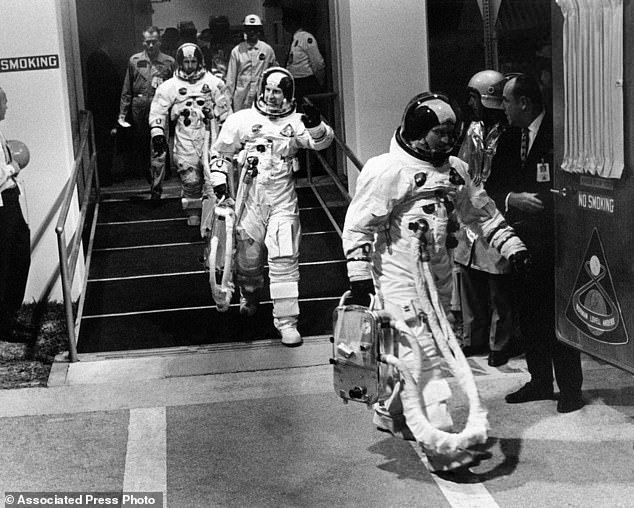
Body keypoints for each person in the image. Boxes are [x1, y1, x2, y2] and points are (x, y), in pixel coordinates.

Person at [341, 92, 528, 471]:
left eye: (450, 132)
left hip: (437, 278)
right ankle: (442, 446)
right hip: (399, 279)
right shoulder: (388, 170)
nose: (446, 140)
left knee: (419, 353)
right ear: (417, 131)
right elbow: (359, 226)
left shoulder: (454, 169)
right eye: (439, 133)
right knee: (424, 357)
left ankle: (392, 411)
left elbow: (480, 212)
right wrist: (360, 278)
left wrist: (512, 245)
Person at [208, 67, 333, 346]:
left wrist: (315, 124)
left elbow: (321, 142)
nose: (272, 96)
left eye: (278, 91)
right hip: (249, 198)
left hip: (282, 200)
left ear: (288, 94)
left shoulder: (297, 122)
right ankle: (249, 295)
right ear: (261, 89)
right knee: (248, 263)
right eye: (269, 89)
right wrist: (219, 185)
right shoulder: (242, 120)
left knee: (284, 260)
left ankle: (286, 321)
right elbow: (221, 154)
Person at [486, 73, 584, 413]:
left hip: (558, 241)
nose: (504, 109)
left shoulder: (561, 135)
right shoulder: (509, 139)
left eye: (507, 102)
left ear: (524, 103)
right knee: (528, 315)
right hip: (519, 242)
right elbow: (492, 188)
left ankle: (570, 388)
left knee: (559, 315)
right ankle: (540, 381)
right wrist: (513, 198)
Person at [454, 69, 516, 367]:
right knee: (469, 281)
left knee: (498, 285)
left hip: (495, 213)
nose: (470, 103)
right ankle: (473, 338)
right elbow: (465, 169)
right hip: (471, 215)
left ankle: (500, 343)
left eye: (474, 96)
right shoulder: (473, 130)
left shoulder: (509, 133)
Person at [149, 43, 231, 226]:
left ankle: (212, 216)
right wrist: (158, 133)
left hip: (211, 136)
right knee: (190, 178)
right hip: (185, 138)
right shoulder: (170, 86)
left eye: (193, 61)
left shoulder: (213, 83)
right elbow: (158, 110)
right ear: (180, 63)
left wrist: (228, 136)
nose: (190, 66)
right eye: (186, 62)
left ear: (200, 61)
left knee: (213, 179)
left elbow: (226, 110)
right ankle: (193, 211)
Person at [118, 26, 176, 198]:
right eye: (147, 42)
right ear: (143, 42)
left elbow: (176, 88)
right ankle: (150, 178)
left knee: (158, 146)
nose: (150, 46)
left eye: (154, 42)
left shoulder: (169, 62)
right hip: (139, 107)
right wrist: (122, 113)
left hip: (159, 107)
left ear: (159, 42)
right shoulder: (134, 61)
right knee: (142, 147)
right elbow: (126, 89)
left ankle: (156, 188)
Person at [0, 87, 31, 340]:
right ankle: (4, 323)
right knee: (7, 262)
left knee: (19, 256)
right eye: (4, 102)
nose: (7, 106)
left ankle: (9, 316)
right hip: (2, 203)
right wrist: (13, 167)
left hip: (10, 199)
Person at [86, 28, 121, 187]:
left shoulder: (96, 58)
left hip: (102, 109)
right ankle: (103, 177)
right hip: (103, 110)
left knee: (106, 145)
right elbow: (105, 87)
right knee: (104, 145)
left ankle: (105, 175)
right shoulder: (99, 59)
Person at [225, 14, 278, 112]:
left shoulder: (267, 50)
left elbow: (274, 73)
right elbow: (231, 79)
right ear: (245, 30)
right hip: (241, 97)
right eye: (249, 29)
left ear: (259, 30)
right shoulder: (237, 51)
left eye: (255, 28)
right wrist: (227, 102)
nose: (252, 31)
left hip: (261, 95)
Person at [282, 7, 325, 109]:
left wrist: (320, 82)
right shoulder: (293, 39)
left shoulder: (306, 38)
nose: (283, 25)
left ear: (293, 21)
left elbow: (318, 63)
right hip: (295, 83)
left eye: (285, 21)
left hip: (306, 82)